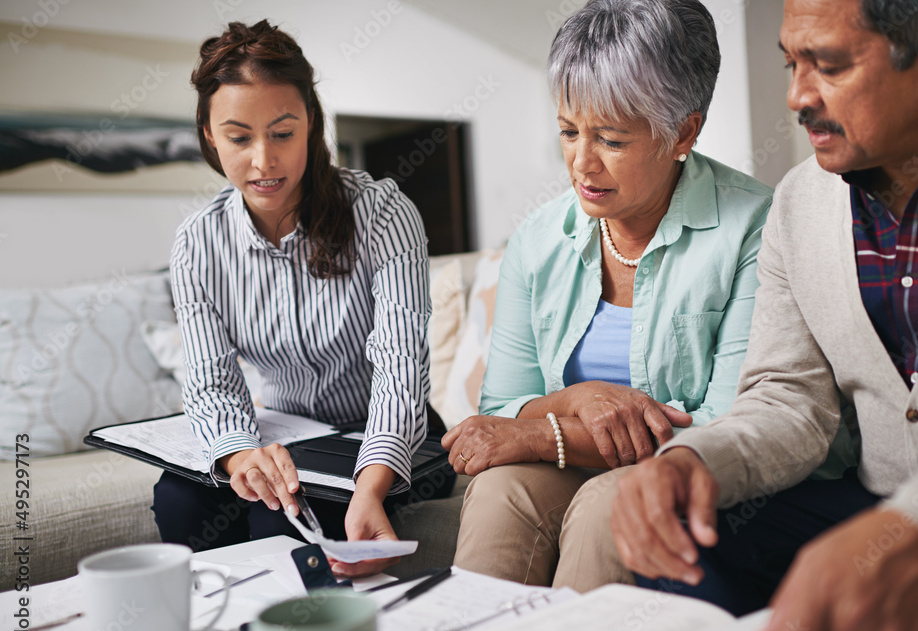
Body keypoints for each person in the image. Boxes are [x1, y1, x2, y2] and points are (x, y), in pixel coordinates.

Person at [612, 0, 918, 631]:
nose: (797, 95)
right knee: (687, 536)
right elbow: (787, 399)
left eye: (828, 65)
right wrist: (693, 460)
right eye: (792, 62)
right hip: (876, 514)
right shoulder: (797, 203)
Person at [442, 0, 774, 591]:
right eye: (569, 132)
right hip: (584, 465)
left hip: (697, 477)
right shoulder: (538, 240)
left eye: (612, 140)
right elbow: (500, 408)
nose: (581, 163)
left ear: (684, 133)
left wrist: (547, 433)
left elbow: (731, 423)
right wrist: (582, 396)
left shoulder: (755, 225)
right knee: (499, 491)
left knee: (609, 505)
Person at [151, 20, 450, 578]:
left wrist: (372, 484)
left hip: (383, 437)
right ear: (210, 135)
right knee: (180, 500)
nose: (264, 161)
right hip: (288, 434)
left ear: (311, 124)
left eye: (282, 133)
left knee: (281, 524)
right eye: (240, 137)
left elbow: (400, 370)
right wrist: (241, 455)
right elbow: (212, 382)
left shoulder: (382, 213)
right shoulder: (198, 241)